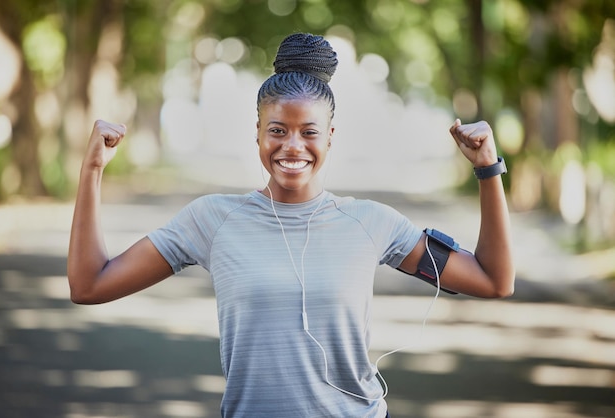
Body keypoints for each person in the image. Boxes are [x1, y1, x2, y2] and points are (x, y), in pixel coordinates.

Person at [68, 33, 514, 418]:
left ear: (332, 136)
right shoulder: (212, 220)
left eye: (309, 132)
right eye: (277, 130)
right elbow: (89, 285)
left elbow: (493, 281)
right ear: (257, 132)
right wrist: (91, 172)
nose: (292, 146)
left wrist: (488, 169)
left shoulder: (370, 223)